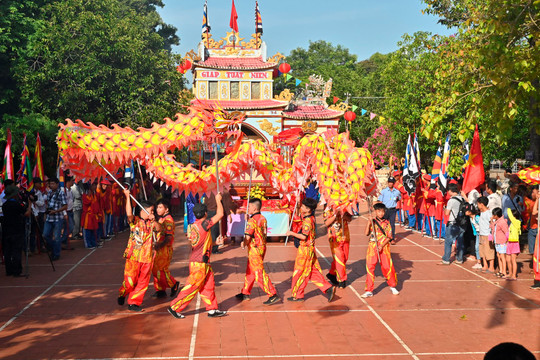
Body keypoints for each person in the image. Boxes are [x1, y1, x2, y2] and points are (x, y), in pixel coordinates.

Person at [168, 193, 227, 319]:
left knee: (208, 285)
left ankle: (212, 309)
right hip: (199, 263)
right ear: (205, 213)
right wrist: (218, 201)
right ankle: (174, 307)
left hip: (200, 261)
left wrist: (215, 243)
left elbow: (201, 242)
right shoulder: (204, 224)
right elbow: (220, 215)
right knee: (192, 287)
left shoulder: (192, 226)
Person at [118, 189, 161, 311]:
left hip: (147, 257)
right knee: (130, 281)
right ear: (143, 209)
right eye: (151, 210)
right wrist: (127, 197)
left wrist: (154, 220)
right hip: (133, 257)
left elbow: (159, 228)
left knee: (143, 282)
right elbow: (129, 214)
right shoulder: (135, 221)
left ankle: (133, 303)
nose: (153, 212)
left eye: (153, 211)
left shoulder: (151, 223)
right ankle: (123, 292)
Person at [286, 198, 337, 302]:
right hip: (309, 249)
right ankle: (327, 288)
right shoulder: (311, 218)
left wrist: (291, 233)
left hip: (305, 250)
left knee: (300, 272)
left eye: (304, 207)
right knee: (313, 272)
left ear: (308, 209)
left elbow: (304, 236)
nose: (301, 208)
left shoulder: (308, 221)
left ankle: (297, 294)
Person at [236, 198, 280, 305]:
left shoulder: (252, 221)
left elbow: (248, 236)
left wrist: (244, 243)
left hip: (255, 249)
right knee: (250, 270)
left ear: (254, 208)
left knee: (258, 272)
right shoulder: (262, 218)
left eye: (249, 206)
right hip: (262, 247)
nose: (248, 208)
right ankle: (245, 292)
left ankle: (272, 294)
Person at [361, 202, 399, 297]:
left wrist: (382, 245)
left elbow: (389, 236)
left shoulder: (387, 223)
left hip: (384, 247)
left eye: (382, 211)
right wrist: (369, 222)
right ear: (375, 212)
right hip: (372, 247)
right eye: (379, 211)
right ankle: (369, 290)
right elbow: (366, 233)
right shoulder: (372, 221)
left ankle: (392, 285)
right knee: (370, 267)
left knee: (387, 267)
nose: (381, 213)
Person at [152, 199, 180, 298]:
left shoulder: (168, 220)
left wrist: (160, 245)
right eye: (157, 207)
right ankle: (160, 290)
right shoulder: (161, 219)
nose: (157, 209)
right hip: (159, 248)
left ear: (166, 209)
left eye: (160, 207)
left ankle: (173, 284)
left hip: (164, 249)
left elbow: (169, 237)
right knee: (155, 268)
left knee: (160, 270)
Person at [2, 185, 32, 276]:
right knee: (16, 251)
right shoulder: (16, 204)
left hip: (6, 230)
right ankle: (17, 270)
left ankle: (9, 270)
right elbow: (26, 213)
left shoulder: (5, 205)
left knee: (7, 251)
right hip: (16, 230)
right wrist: (30, 205)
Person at [323, 205, 351, 288]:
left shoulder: (345, 208)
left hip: (345, 236)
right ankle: (341, 279)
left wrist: (344, 215)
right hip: (334, 238)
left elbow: (349, 219)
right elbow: (327, 223)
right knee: (339, 258)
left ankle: (332, 273)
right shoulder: (328, 210)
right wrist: (336, 215)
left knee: (345, 257)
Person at [42, 177, 67, 261]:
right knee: (45, 235)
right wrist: (46, 214)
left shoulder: (61, 193)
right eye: (50, 184)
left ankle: (56, 253)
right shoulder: (49, 193)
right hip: (49, 218)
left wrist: (56, 211)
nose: (51, 185)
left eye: (53, 184)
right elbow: (47, 204)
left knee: (56, 237)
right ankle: (54, 246)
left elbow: (65, 206)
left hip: (57, 218)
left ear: (57, 184)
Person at [441, 183, 466, 265]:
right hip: (462, 223)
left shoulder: (451, 200)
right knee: (460, 242)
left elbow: (447, 213)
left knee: (448, 241)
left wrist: (444, 209)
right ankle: (459, 258)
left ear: (451, 191)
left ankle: (446, 259)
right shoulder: (462, 199)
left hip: (453, 223)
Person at [378, 176, 401, 244]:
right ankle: (383, 237)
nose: (390, 184)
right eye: (389, 182)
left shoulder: (397, 191)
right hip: (385, 210)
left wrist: (395, 200)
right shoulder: (384, 191)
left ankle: (392, 238)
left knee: (392, 224)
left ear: (393, 183)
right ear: (388, 183)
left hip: (392, 210)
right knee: (383, 224)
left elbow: (399, 198)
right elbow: (380, 200)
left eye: (392, 182)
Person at [477, 197, 495, 273]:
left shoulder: (488, 213)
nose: (477, 206)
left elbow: (492, 223)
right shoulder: (482, 212)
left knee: (489, 250)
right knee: (482, 251)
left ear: (482, 204)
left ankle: (491, 267)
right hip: (481, 234)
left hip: (487, 235)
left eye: (478, 204)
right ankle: (485, 265)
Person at [490, 207, 509, 278]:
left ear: (497, 215)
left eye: (494, 215)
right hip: (497, 241)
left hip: (502, 242)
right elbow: (492, 228)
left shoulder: (502, 222)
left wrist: (507, 241)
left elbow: (506, 232)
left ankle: (504, 271)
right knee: (498, 255)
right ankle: (501, 270)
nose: (493, 216)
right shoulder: (496, 222)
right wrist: (491, 222)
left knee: (502, 256)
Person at [505, 208, 521, 281]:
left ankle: (514, 275)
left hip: (514, 243)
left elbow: (510, 215)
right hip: (509, 242)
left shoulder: (517, 222)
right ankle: (510, 273)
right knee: (508, 259)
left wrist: (508, 209)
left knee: (513, 259)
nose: (509, 217)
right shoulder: (511, 224)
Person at [465, 203, 482, 270]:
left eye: (466, 210)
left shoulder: (477, 218)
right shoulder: (470, 218)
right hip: (477, 234)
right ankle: (479, 261)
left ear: (470, 212)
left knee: (478, 247)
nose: (465, 212)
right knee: (477, 247)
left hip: (481, 233)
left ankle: (480, 262)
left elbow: (482, 225)